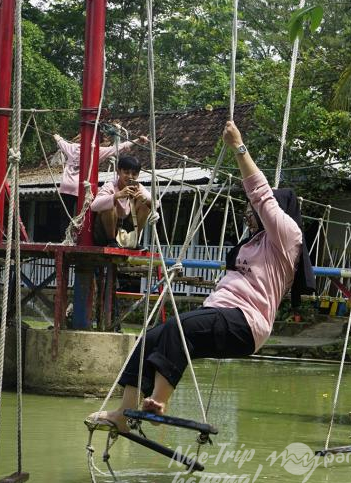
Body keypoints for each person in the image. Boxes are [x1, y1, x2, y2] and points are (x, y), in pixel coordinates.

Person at [88, 121, 315, 431]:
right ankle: (124, 413)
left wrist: (238, 147)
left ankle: (158, 401)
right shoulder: (252, 243)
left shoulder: (288, 237)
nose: (249, 214)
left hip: (247, 323)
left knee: (178, 329)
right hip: (220, 313)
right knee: (151, 338)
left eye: (254, 211)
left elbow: (261, 194)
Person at [52, 128, 148, 242]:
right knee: (84, 216)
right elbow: (118, 148)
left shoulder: (71, 148)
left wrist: (57, 137)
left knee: (65, 215)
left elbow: (60, 142)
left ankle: (65, 238)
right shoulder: (97, 151)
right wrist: (137, 140)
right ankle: (81, 237)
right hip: (83, 188)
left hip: (66, 186)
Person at [90, 155, 152, 247]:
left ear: (138, 175)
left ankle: (135, 241)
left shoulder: (138, 187)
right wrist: (116, 196)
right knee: (109, 205)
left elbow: (156, 204)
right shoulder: (109, 186)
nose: (130, 177)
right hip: (106, 231)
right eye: (126, 172)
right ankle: (111, 241)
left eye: (134, 174)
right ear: (118, 171)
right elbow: (94, 206)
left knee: (146, 204)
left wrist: (143, 198)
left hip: (125, 228)